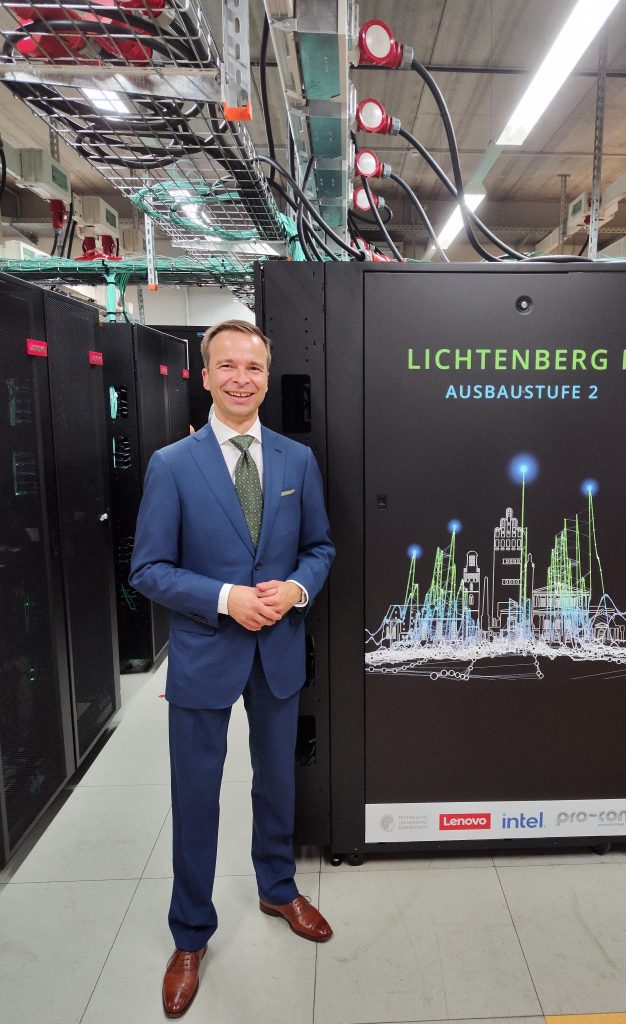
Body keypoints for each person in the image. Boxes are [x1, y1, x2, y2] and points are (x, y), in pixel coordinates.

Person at [129, 319, 335, 1018]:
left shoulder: (295, 461)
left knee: (276, 783)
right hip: (205, 653)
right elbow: (148, 569)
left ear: (266, 378)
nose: (242, 377)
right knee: (197, 797)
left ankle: (278, 889)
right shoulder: (172, 466)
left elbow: (321, 547)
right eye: (228, 366)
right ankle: (190, 933)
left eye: (254, 366)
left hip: (276, 652)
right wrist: (226, 598)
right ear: (206, 375)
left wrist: (297, 588)